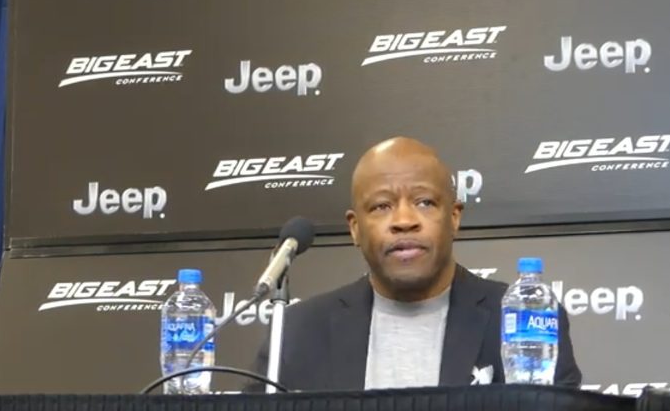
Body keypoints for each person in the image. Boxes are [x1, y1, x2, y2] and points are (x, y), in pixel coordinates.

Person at [248, 136, 581, 391]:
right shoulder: (297, 332)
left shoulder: (525, 319)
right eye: (381, 206)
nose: (404, 220)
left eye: (424, 202)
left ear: (453, 217)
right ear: (355, 228)